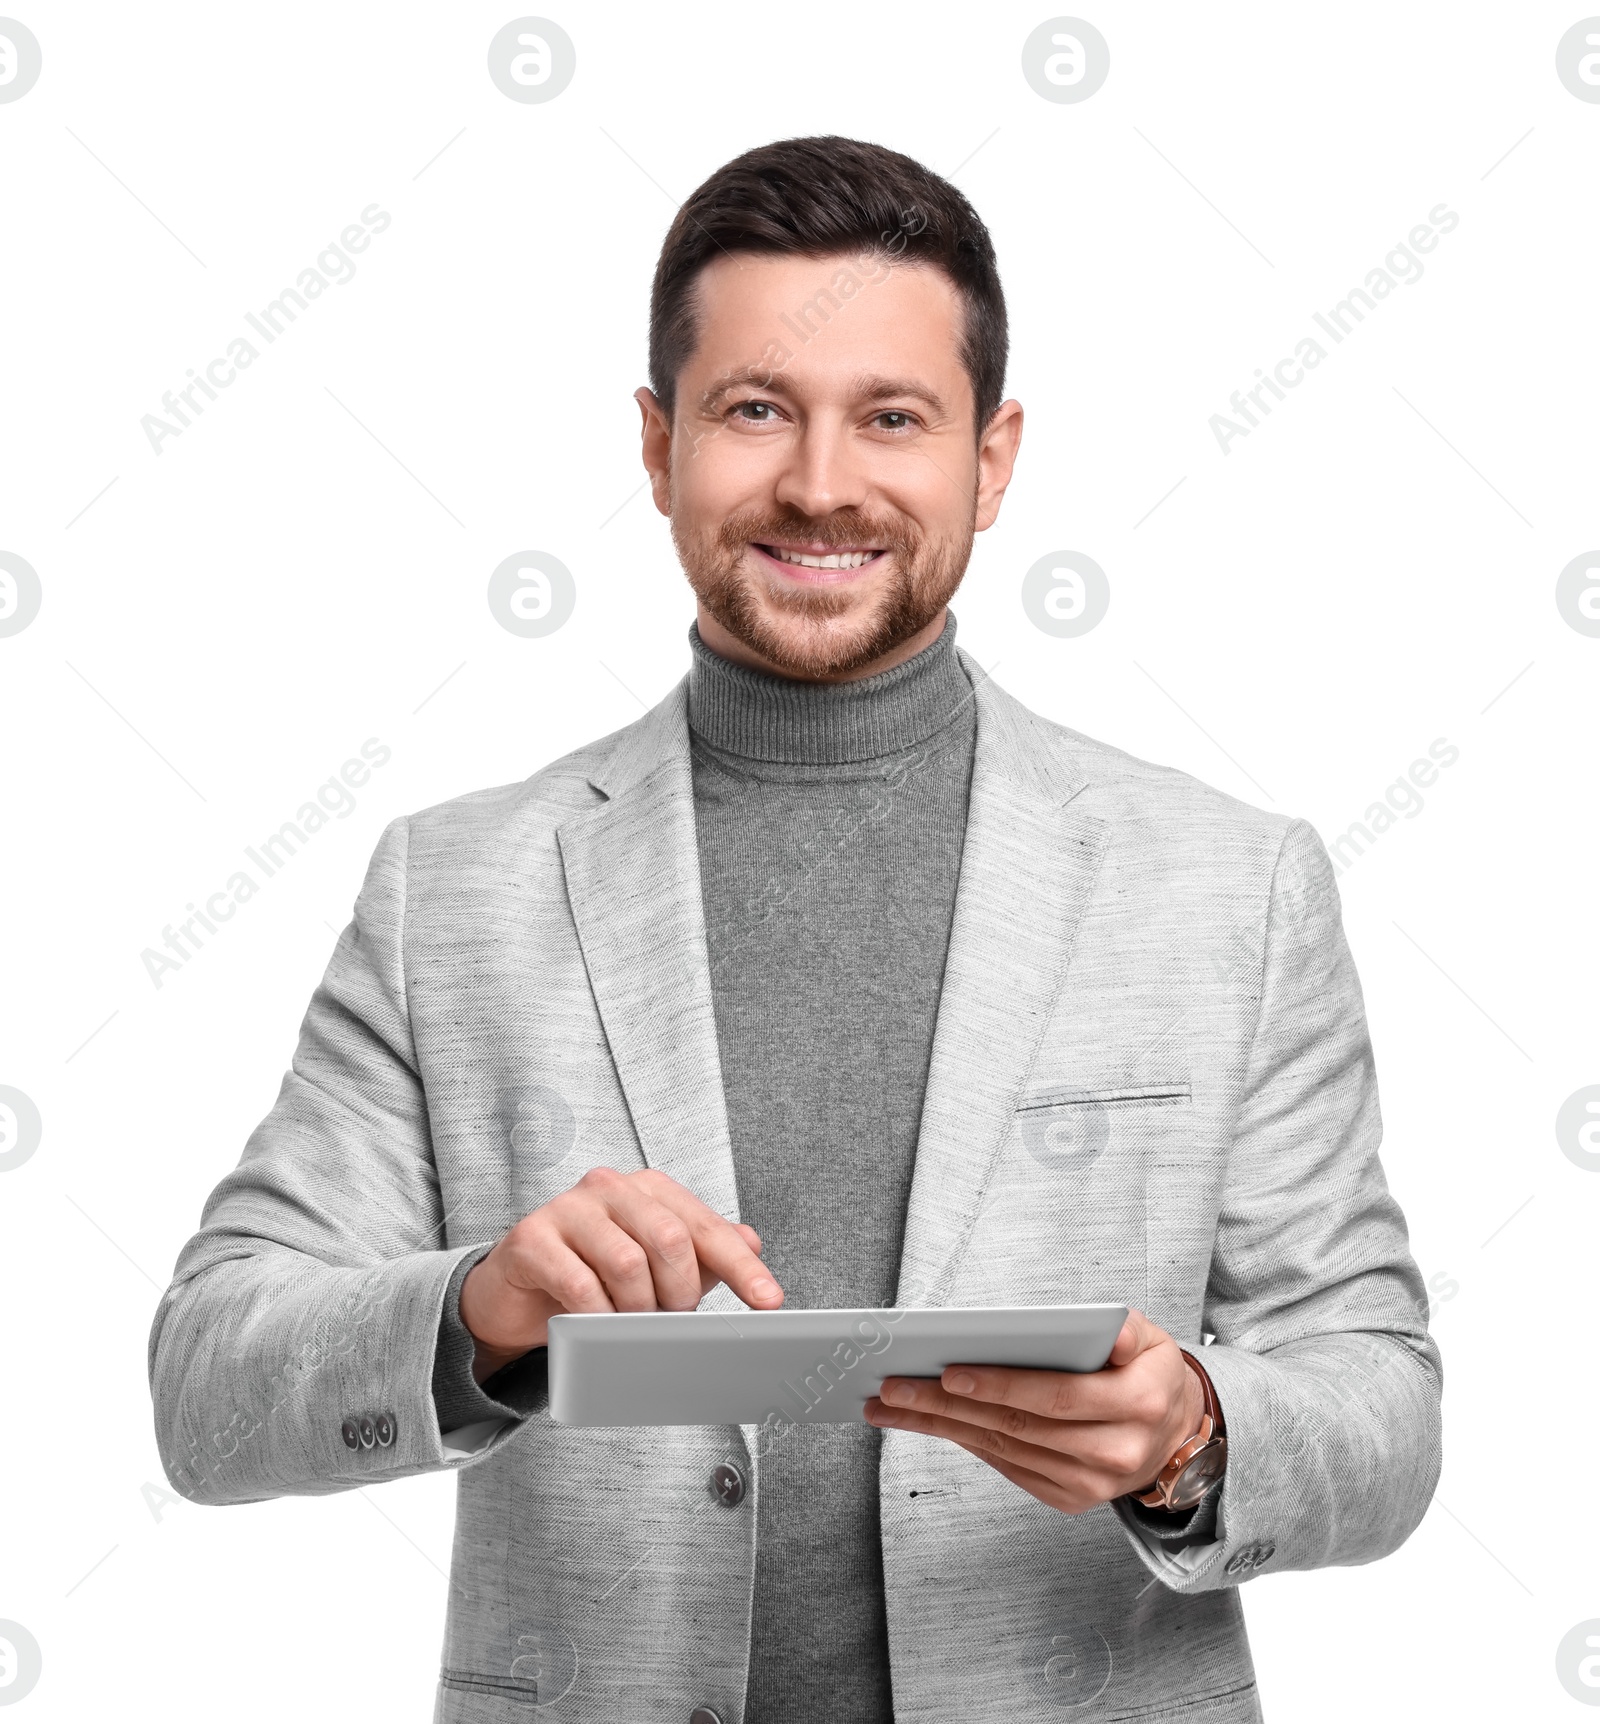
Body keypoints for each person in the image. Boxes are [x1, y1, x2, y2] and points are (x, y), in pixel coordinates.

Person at [149, 135, 1441, 1723]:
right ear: (656, 444)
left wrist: (1196, 1434)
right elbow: (209, 1391)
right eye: (756, 409)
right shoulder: (459, 886)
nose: (821, 482)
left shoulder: (1228, 886)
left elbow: (1380, 1400)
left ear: (993, 458)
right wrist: (484, 1308)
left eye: (892, 418)